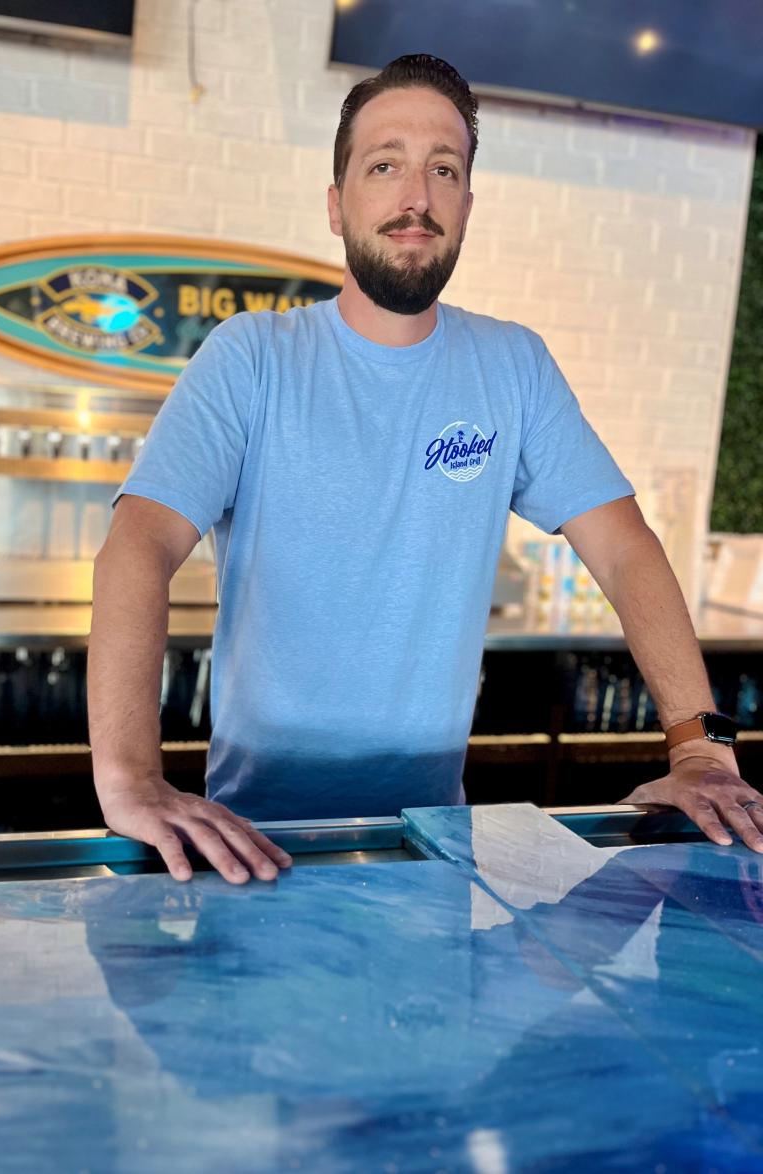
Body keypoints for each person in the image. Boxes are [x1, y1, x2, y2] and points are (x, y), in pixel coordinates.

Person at [88, 54, 763, 883]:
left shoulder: (513, 367)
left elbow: (625, 549)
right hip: (257, 850)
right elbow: (140, 541)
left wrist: (699, 749)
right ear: (337, 206)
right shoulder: (251, 360)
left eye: (444, 169)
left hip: (430, 852)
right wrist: (129, 777)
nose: (416, 196)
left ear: (469, 206)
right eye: (385, 165)